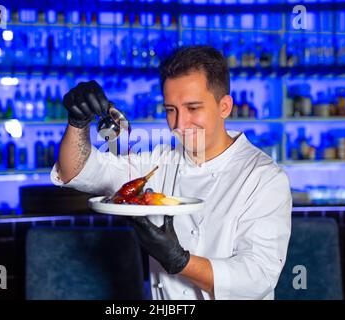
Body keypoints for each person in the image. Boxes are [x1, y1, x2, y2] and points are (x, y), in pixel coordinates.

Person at [50, 45, 292, 300]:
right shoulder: (159, 162)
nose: (179, 124)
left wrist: (179, 261)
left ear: (224, 107)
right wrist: (78, 122)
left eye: (193, 108)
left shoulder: (263, 177)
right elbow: (76, 170)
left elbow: (258, 278)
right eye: (170, 110)